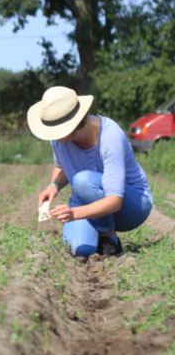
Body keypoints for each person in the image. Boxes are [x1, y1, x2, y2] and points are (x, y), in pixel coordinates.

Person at [28, 86, 152, 257]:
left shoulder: (110, 136)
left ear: (74, 125)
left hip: (132, 206)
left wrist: (74, 213)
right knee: (81, 250)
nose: (53, 136)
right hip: (87, 198)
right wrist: (53, 185)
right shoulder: (57, 139)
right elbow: (62, 165)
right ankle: (98, 234)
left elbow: (115, 200)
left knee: (82, 180)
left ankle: (108, 238)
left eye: (57, 131)